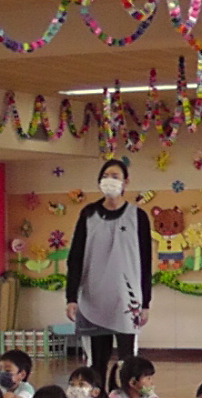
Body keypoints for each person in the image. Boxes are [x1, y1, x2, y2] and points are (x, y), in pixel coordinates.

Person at [65, 157, 153, 383]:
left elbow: (145, 261)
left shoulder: (138, 216)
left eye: (115, 177)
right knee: (97, 362)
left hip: (126, 301)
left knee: (127, 362)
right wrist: (71, 297)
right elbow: (74, 257)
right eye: (105, 176)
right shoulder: (88, 214)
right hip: (93, 298)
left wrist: (145, 303)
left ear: (126, 182)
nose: (109, 181)